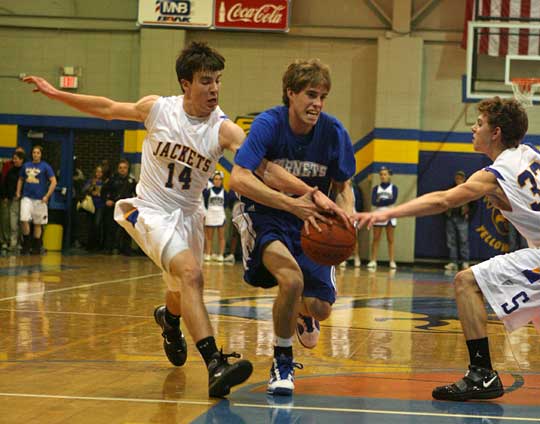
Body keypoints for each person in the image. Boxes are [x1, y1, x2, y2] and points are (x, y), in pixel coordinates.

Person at [22, 42, 332, 397]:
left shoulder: (223, 129)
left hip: (188, 216)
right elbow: (107, 109)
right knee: (191, 275)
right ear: (186, 83)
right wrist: (55, 93)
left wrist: (306, 191)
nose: (214, 88)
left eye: (218, 80)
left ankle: (169, 320)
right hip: (149, 209)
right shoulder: (158, 109)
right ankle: (216, 364)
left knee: (180, 289)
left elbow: (264, 168)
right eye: (205, 81)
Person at [353, 96, 539, 402]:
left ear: (496, 133)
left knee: (466, 281)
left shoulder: (496, 173)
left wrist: (386, 213)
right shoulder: (530, 154)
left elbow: (442, 200)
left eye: (480, 123)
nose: (473, 128)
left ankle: (481, 374)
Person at [230, 59, 355, 396]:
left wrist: (349, 215)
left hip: (311, 224)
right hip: (265, 214)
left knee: (321, 308)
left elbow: (343, 186)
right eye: (311, 94)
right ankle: (282, 362)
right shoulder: (268, 124)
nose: (317, 103)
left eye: (323, 96)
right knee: (291, 279)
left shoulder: (334, 132)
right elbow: (239, 177)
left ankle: (303, 313)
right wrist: (290, 203)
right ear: (290, 93)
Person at [16, 145, 57, 255]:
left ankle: (36, 247)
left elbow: (54, 182)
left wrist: (47, 196)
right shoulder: (26, 165)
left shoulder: (46, 166)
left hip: (40, 199)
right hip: (27, 197)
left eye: (38, 152)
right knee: (24, 219)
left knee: (38, 223)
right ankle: (26, 244)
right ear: (32, 154)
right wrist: (18, 191)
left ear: (41, 154)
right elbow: (20, 179)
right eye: (34, 152)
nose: (35, 154)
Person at [101, 159, 137, 255]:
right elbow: (103, 191)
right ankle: (109, 248)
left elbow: (137, 193)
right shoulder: (112, 180)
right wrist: (106, 200)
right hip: (114, 207)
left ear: (128, 169)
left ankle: (126, 249)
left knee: (127, 229)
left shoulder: (131, 181)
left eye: (124, 168)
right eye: (120, 168)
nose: (122, 170)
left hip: (126, 208)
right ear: (117, 169)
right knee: (110, 228)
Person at [366, 166, 398, 270]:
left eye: (385, 174)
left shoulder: (394, 188)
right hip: (378, 214)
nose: (383, 176)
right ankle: (373, 260)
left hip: (390, 214)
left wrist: (381, 201)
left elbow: (392, 201)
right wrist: (384, 201)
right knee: (376, 238)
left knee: (390, 239)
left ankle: (392, 261)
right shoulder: (376, 188)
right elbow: (374, 202)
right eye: (381, 174)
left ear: (389, 175)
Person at [444, 170, 473, 271]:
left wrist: (469, 214)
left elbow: (474, 204)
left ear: (464, 179)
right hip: (451, 217)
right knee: (451, 241)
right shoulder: (450, 189)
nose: (458, 180)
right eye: (457, 178)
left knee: (463, 240)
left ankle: (465, 262)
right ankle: (453, 262)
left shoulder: (468, 190)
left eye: (461, 178)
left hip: (462, 218)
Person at [1, 151, 25, 251]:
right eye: (13, 158)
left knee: (18, 222)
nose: (14, 160)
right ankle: (10, 242)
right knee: (9, 222)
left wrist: (20, 195)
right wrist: (5, 196)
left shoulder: (24, 171)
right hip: (10, 200)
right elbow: (5, 184)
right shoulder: (10, 171)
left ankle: (18, 242)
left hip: (21, 200)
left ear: (21, 160)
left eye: (16, 158)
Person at [203, 170, 229, 262]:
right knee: (209, 237)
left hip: (220, 215)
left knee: (221, 236)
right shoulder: (208, 192)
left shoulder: (225, 192)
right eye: (215, 179)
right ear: (213, 180)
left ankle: (220, 255)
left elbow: (226, 204)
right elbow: (205, 203)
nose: (217, 181)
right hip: (210, 214)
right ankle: (208, 254)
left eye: (219, 179)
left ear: (222, 180)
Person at [83, 165, 105, 251]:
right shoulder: (91, 181)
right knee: (90, 225)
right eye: (97, 171)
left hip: (100, 205)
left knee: (97, 224)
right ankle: (89, 244)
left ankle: (97, 244)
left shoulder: (104, 182)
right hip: (91, 205)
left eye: (100, 172)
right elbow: (84, 190)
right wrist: (92, 185)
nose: (98, 173)